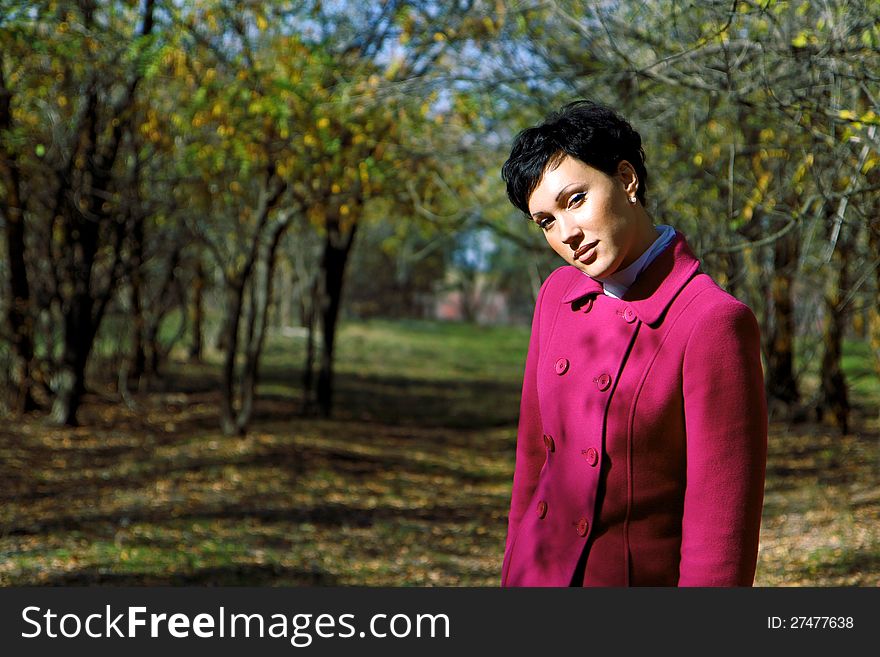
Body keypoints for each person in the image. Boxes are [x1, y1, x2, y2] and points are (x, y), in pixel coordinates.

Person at [499, 100, 768, 587]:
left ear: (626, 179)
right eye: (545, 221)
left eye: (575, 200)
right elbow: (532, 464)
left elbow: (721, 534)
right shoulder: (557, 296)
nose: (567, 234)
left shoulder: (711, 322)